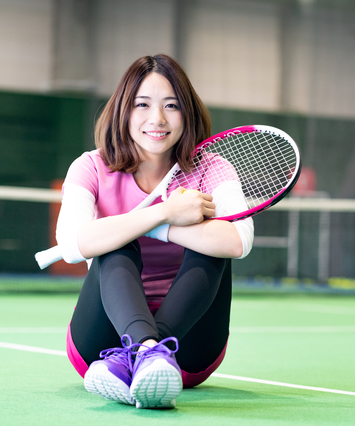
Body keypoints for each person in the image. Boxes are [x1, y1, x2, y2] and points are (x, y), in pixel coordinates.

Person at [56, 54, 254, 409]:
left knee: (214, 244)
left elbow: (239, 241)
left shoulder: (213, 168)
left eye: (171, 106)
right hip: (102, 347)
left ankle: (148, 350)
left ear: (187, 113)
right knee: (114, 241)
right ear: (123, 111)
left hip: (190, 348)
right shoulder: (90, 166)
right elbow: (72, 245)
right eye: (142, 105)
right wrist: (166, 212)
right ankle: (145, 350)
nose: (157, 119)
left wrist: (161, 227)